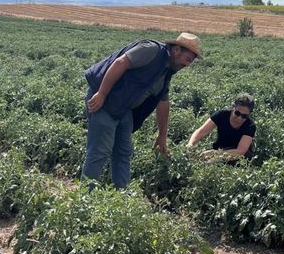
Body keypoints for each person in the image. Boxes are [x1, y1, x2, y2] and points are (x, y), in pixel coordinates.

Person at [81, 33, 201, 188]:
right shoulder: (151, 50)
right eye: (188, 59)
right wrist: (102, 94)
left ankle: (122, 193)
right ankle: (84, 197)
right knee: (100, 151)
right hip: (104, 100)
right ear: (177, 50)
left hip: (123, 108)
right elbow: (120, 62)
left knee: (124, 152)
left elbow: (163, 102)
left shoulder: (167, 69)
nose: (188, 64)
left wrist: (162, 135)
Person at [186, 93, 256, 163]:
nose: (239, 118)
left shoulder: (250, 125)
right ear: (233, 107)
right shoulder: (222, 115)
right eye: (237, 113)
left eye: (244, 116)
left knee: (210, 162)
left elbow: (240, 151)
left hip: (238, 157)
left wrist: (215, 154)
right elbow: (201, 131)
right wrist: (190, 145)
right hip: (220, 149)